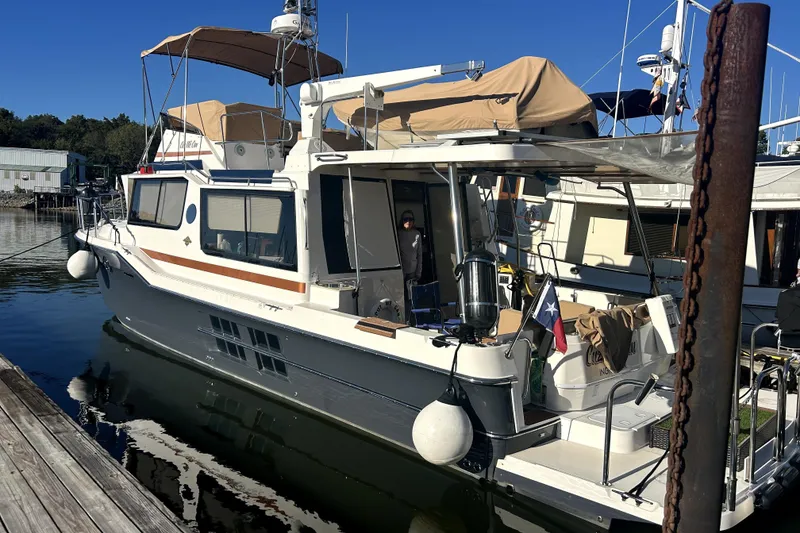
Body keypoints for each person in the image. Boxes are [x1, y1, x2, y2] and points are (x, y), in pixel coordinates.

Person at [398, 210, 423, 321]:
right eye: (405, 219)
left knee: (411, 298)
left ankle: (411, 321)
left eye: (410, 219)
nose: (408, 222)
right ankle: (401, 319)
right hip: (400, 271)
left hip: (412, 271)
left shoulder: (417, 234)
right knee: (400, 297)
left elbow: (419, 255)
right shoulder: (398, 233)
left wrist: (419, 272)